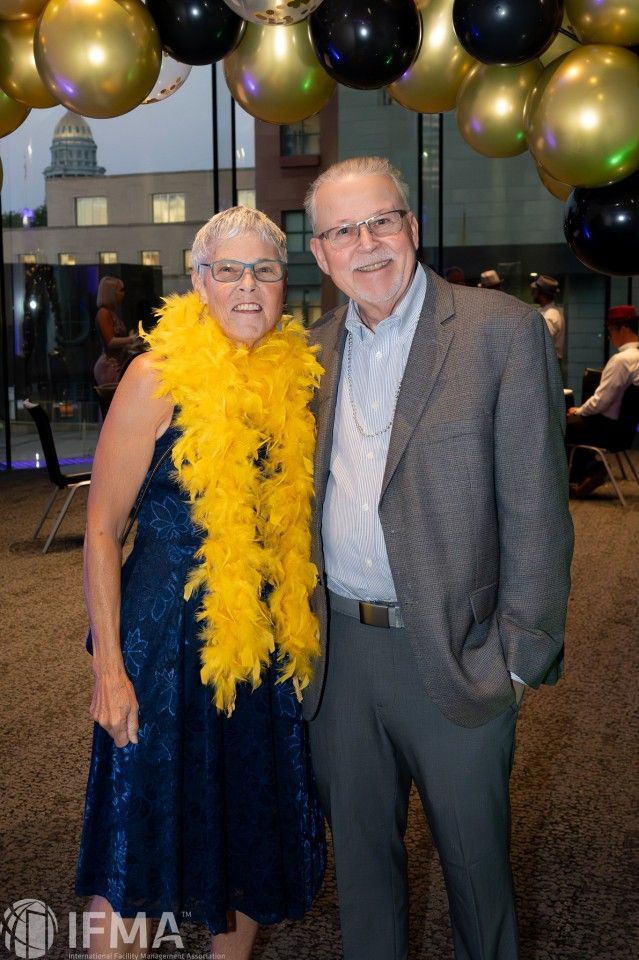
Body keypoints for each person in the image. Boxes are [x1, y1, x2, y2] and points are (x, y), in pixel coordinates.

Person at [303, 156, 573, 960]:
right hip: (337, 661)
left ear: (411, 229)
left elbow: (536, 508)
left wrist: (518, 660)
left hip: (460, 654)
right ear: (320, 254)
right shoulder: (306, 355)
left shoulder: (499, 330)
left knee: (476, 875)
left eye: (382, 220)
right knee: (360, 874)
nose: (367, 243)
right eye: (343, 231)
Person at [76, 207, 326, 959]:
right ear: (198, 282)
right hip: (160, 645)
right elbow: (98, 529)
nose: (247, 287)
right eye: (229, 270)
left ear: (285, 284)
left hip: (261, 643)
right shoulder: (156, 376)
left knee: (249, 834)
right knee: (134, 844)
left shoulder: (294, 377)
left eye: (264, 271)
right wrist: (110, 669)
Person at [566, 304, 639, 496]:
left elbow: (601, 401)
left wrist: (579, 410)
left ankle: (586, 472)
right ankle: (592, 468)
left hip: (607, 431)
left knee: (560, 426)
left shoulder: (621, 360)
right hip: (625, 431)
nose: (609, 336)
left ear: (623, 328)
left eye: (610, 330)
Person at [93, 276, 138, 386]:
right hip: (109, 365)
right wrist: (131, 339)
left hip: (118, 363)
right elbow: (110, 341)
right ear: (111, 292)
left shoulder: (112, 312)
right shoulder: (103, 313)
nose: (123, 293)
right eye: (121, 290)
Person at [531, 274, 565, 362]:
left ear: (542, 295)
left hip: (548, 365)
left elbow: (539, 342)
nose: (532, 293)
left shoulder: (551, 315)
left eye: (535, 291)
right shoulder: (545, 311)